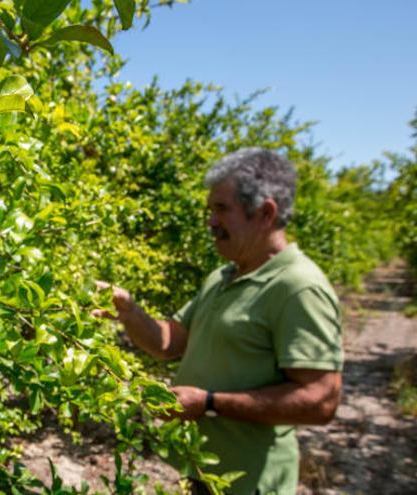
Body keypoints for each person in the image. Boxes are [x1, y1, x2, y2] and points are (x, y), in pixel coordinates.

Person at [93, 148, 343, 495]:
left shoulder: (298, 287)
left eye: (222, 210)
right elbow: (169, 342)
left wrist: (209, 402)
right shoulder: (223, 275)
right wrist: (129, 311)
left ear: (265, 213)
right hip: (203, 471)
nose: (211, 222)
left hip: (252, 482)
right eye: (211, 210)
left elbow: (321, 401)